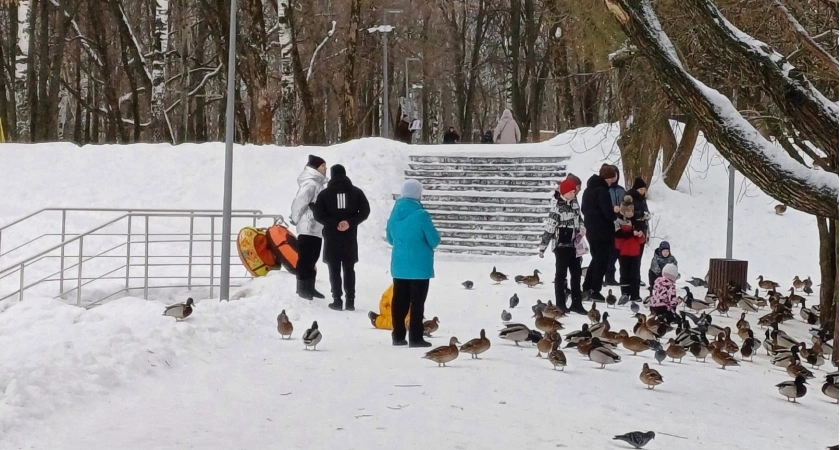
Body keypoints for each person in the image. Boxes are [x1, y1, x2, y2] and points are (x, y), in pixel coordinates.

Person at [386, 179, 441, 347]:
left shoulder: (394, 213)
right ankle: (416, 338)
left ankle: (398, 335)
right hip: (419, 267)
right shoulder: (421, 215)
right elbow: (434, 240)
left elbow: (390, 238)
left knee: (399, 301)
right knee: (417, 303)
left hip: (399, 265)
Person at [311, 164, 371, 312]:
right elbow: (365, 211)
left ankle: (337, 300)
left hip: (332, 237)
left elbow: (318, 214)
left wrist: (333, 223)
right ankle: (350, 301)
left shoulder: (325, 194)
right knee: (349, 269)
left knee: (334, 269)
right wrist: (349, 223)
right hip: (350, 237)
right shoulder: (356, 192)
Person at [538, 178, 586, 315]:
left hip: (575, 244)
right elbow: (549, 229)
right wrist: (543, 247)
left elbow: (580, 219)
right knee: (561, 275)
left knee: (576, 274)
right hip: (561, 245)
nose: (574, 194)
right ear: (564, 192)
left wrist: (582, 228)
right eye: (571, 192)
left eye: (574, 192)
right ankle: (560, 304)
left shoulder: (575, 204)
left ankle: (577, 302)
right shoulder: (557, 208)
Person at [290, 155, 328, 300]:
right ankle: (302, 287)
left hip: (317, 227)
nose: (325, 169)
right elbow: (299, 202)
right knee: (305, 258)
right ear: (315, 168)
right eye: (323, 166)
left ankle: (310, 287)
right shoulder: (310, 184)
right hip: (307, 226)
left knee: (313, 257)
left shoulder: (318, 185)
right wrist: (295, 218)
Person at [581, 165, 618, 302]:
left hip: (590, 230)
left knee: (595, 259)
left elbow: (584, 209)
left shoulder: (587, 190)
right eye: (611, 179)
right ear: (608, 178)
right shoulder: (602, 191)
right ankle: (595, 289)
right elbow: (608, 213)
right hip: (603, 231)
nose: (612, 182)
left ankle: (587, 286)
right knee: (601, 261)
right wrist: (614, 211)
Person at [615, 206, 646, 301]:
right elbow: (619, 236)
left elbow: (642, 240)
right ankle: (625, 293)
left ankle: (635, 294)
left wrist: (641, 235)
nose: (630, 213)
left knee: (635, 274)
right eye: (628, 211)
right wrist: (632, 234)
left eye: (632, 211)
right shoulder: (618, 221)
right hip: (624, 253)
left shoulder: (636, 223)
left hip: (635, 252)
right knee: (624, 274)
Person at [605, 165, 625, 286]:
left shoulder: (621, 190)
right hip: (608, 223)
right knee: (609, 253)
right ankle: (608, 276)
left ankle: (614, 276)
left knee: (617, 252)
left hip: (620, 223)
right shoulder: (605, 190)